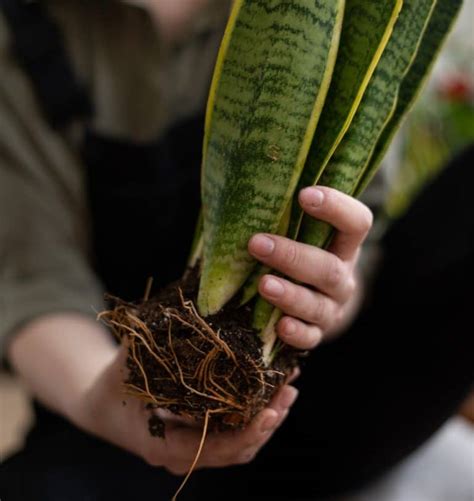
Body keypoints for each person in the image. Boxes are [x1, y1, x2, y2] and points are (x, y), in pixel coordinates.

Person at [0, 1, 472, 500]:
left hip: (313, 401)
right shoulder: (19, 28)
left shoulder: (320, 12)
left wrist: (327, 298)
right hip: (116, 414)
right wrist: (99, 398)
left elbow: (363, 237)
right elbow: (32, 277)